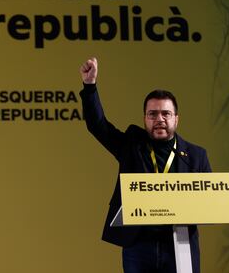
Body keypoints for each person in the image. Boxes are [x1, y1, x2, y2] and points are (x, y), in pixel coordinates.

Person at [79, 57, 211, 273]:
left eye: (166, 113)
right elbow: (98, 125)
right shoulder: (132, 145)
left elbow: (210, 204)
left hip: (179, 244)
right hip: (139, 245)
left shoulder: (197, 155)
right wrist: (90, 86)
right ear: (145, 119)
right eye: (153, 114)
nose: (159, 119)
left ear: (176, 119)